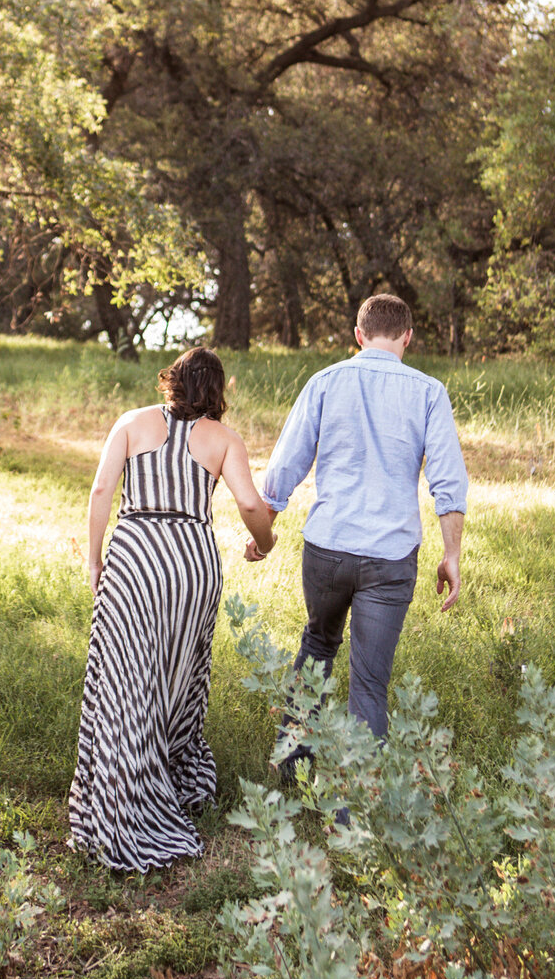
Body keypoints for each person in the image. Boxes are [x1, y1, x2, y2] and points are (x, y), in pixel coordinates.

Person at [69, 347, 277, 871]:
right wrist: (266, 542)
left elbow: (100, 490)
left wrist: (94, 560)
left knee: (125, 677)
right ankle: (165, 769)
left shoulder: (131, 423)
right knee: (177, 676)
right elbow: (251, 505)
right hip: (191, 564)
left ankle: (124, 788)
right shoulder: (223, 439)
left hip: (135, 556)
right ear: (217, 389)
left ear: (174, 381)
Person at [260, 293, 468, 771]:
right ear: (407, 337)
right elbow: (448, 482)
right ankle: (359, 807)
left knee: (317, 644)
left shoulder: (326, 381)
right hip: (390, 557)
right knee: (370, 681)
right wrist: (451, 553)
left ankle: (293, 768)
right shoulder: (429, 392)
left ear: (359, 335)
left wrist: (264, 529)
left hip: (328, 548)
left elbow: (286, 464)